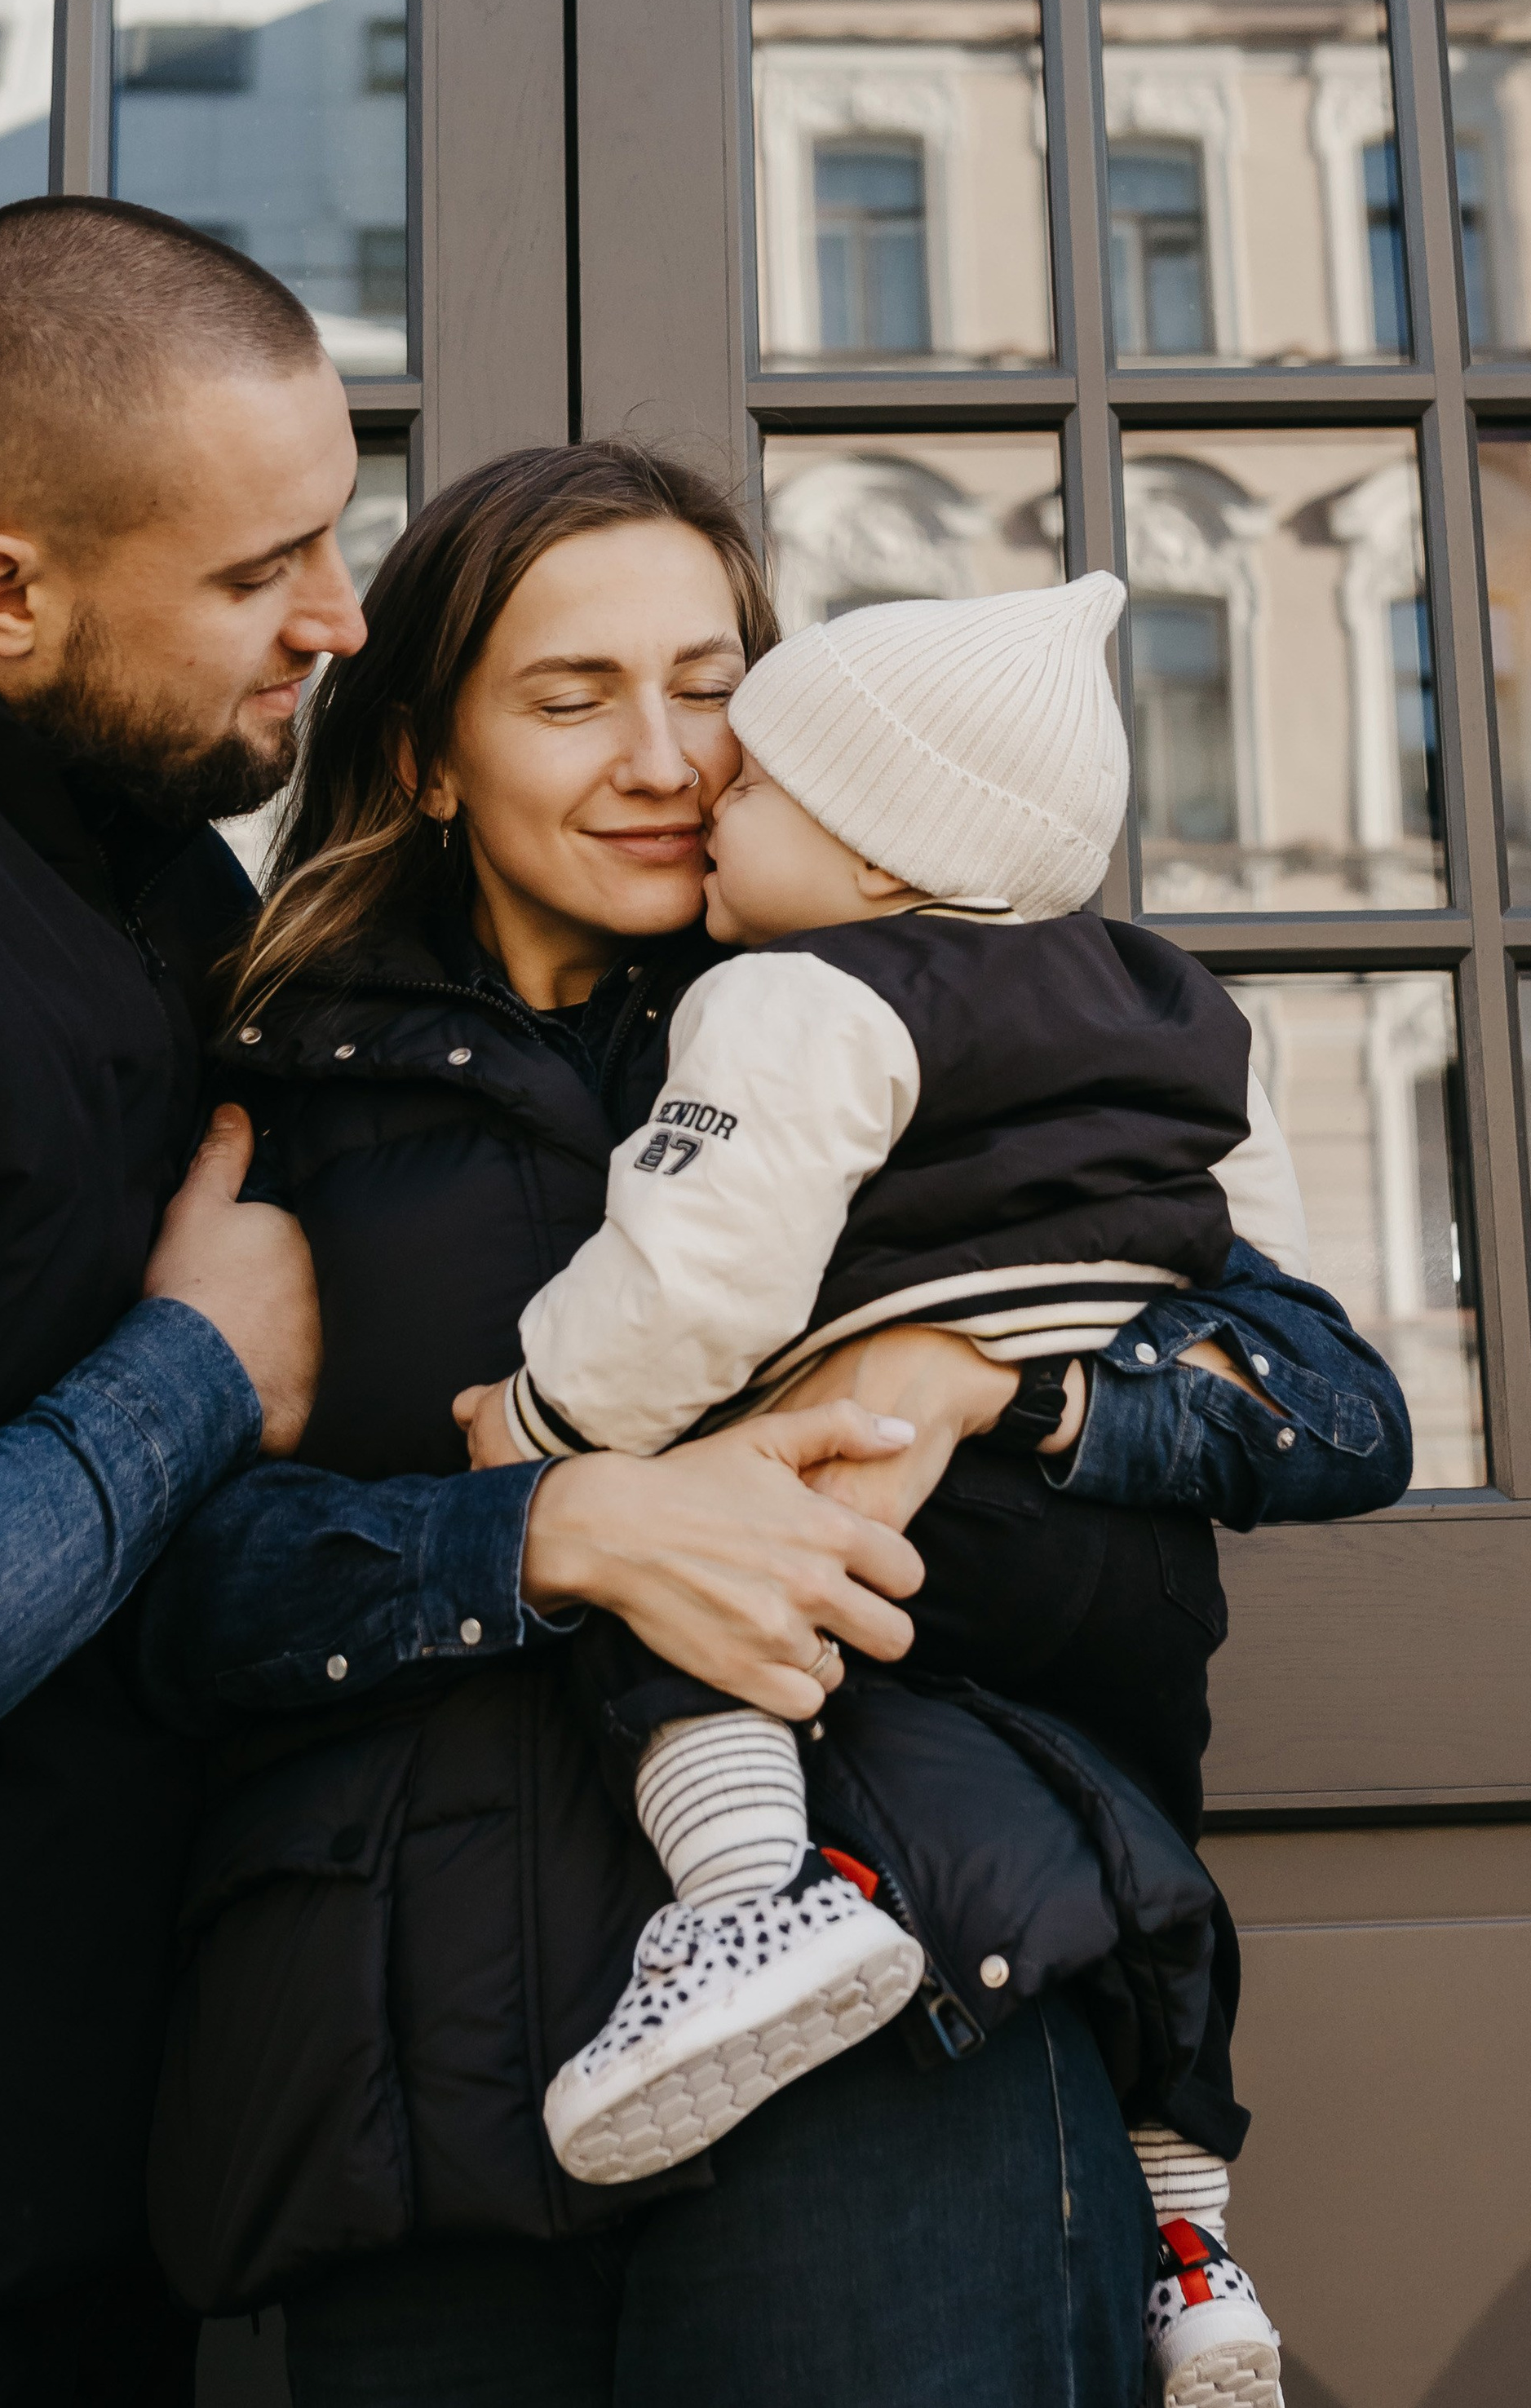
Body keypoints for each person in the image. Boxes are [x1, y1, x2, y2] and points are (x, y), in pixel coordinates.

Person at [0, 206, 935, 2406]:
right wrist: (198, 1371)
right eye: (261, 572)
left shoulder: (146, 862)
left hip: (82, 2184)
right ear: (7, 590)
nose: (336, 622)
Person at [134, 440, 1412, 2408]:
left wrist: (982, 1379)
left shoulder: (956, 1033)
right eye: (570, 700)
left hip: (915, 2038)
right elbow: (178, 1600)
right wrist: (550, 1531)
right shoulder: (270, 1101)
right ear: (423, 760)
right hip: (418, 2075)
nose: (667, 759)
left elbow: (1326, 1409)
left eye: (711, 685)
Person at [458, 572, 1290, 2407]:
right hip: (1129, 1552)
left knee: (682, 1568)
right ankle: (1190, 2234)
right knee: (1128, 1846)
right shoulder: (1186, 1004)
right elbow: (1272, 1296)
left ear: (874, 846)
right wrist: (1068, 1386)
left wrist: (535, 1416)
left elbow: (698, 1280)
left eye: (748, 773)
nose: (703, 796)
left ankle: (756, 1898)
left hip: (875, 1504)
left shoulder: (793, 992)